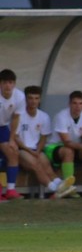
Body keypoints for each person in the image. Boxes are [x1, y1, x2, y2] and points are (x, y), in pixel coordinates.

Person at [13, 86, 76, 199]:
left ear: (40, 99)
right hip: (21, 150)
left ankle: (61, 184)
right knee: (36, 164)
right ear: (26, 100)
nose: (33, 101)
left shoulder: (44, 116)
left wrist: (37, 150)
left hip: (35, 150)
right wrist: (30, 151)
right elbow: (15, 137)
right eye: (30, 98)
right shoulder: (19, 115)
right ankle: (55, 189)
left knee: (46, 165)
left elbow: (43, 137)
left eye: (36, 98)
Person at [51, 91, 82, 196]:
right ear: (69, 104)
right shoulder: (62, 116)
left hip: (74, 147)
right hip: (54, 147)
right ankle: (68, 188)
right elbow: (66, 142)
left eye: (81, 103)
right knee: (68, 151)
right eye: (74, 103)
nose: (77, 107)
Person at [0, 68, 25, 201]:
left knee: (13, 151)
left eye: (10, 82)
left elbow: (15, 118)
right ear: (0, 84)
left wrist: (11, 139)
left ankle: (10, 189)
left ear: (14, 84)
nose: (8, 85)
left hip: (3, 127)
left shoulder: (19, 96)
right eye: (5, 82)